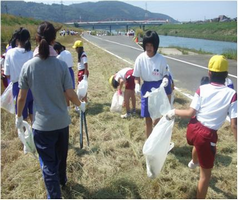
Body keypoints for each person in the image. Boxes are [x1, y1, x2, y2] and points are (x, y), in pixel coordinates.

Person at [15, 21, 86, 199]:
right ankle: (62, 181)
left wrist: (18, 117)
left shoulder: (28, 67)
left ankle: (55, 195)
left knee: (48, 163)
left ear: (37, 39)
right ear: (54, 40)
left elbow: (21, 97)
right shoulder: (61, 65)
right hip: (62, 123)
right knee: (61, 158)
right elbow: (70, 93)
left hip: (42, 125)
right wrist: (80, 104)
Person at [166, 55, 237, 199]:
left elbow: (190, 112)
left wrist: (173, 111)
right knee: (205, 176)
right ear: (226, 75)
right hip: (207, 135)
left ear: (209, 73)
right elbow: (234, 125)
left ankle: (193, 162)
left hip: (193, 127)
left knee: (198, 144)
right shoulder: (232, 94)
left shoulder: (202, 89)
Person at [133, 30, 172, 138]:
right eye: (147, 45)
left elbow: (165, 74)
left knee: (158, 119)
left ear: (156, 45)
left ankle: (158, 141)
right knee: (148, 119)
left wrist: (165, 80)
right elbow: (136, 76)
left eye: (151, 45)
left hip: (159, 89)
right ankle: (149, 142)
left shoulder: (161, 59)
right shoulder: (140, 59)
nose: (149, 48)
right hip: (146, 89)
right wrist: (137, 85)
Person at [4, 27, 33, 122]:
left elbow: (7, 74)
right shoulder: (31, 53)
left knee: (21, 115)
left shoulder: (10, 53)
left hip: (18, 86)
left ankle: (24, 134)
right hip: (32, 86)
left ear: (17, 39)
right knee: (33, 113)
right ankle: (35, 133)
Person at [53, 41, 75, 111]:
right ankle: (76, 105)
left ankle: (67, 106)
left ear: (57, 50)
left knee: (65, 92)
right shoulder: (68, 52)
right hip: (71, 71)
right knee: (71, 89)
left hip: (64, 73)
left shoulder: (59, 56)